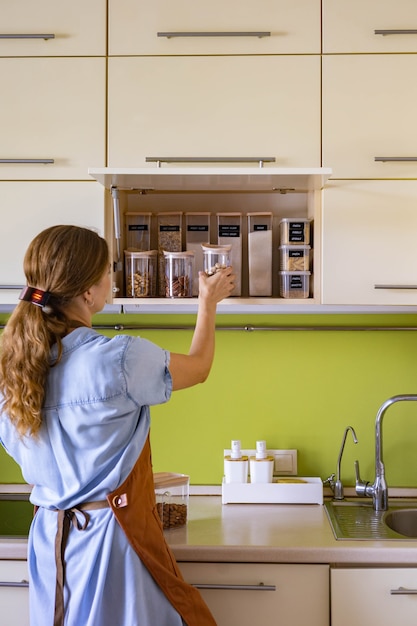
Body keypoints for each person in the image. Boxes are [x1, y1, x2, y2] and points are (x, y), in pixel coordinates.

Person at [0, 224, 235, 626]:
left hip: (50, 542)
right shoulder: (118, 359)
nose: (113, 279)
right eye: (108, 271)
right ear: (89, 291)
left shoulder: (13, 367)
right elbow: (198, 369)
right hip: (111, 542)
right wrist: (208, 302)